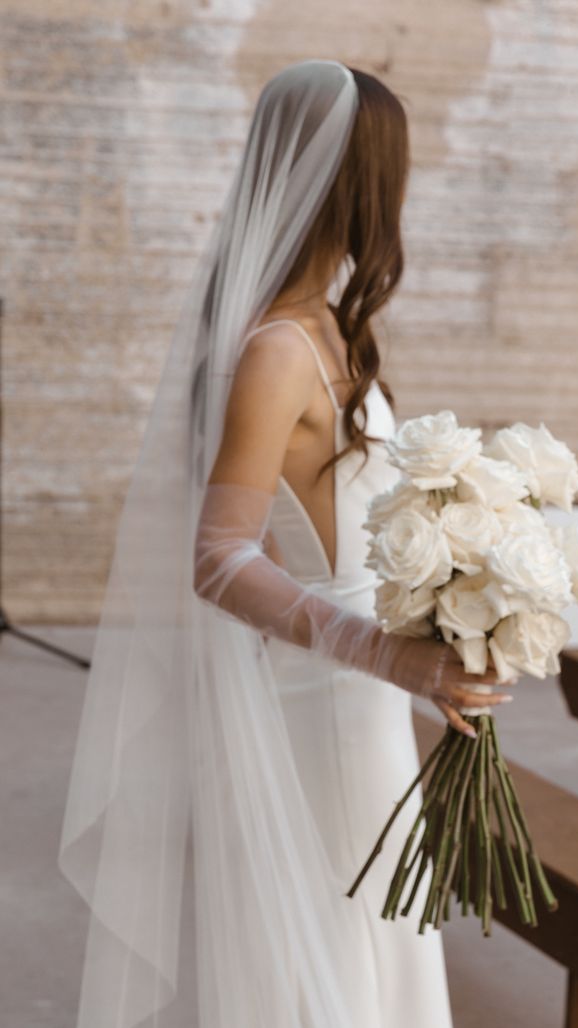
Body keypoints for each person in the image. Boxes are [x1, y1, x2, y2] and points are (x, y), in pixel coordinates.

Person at [58, 59, 513, 1028]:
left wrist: (456, 606)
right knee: (338, 959)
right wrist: (391, 653)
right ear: (357, 183)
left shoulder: (333, 329)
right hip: (328, 700)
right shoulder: (277, 349)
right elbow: (219, 556)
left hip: (367, 703)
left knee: (372, 944)